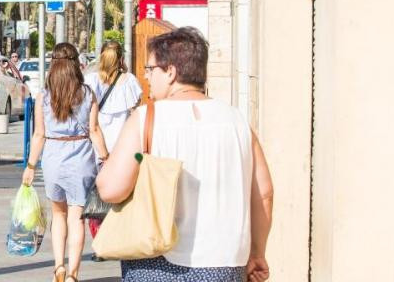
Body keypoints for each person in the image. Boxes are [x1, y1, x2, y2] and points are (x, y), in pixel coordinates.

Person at [96, 27, 274, 282]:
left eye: (150, 69)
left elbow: (110, 189)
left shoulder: (147, 119)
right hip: (227, 264)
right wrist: (257, 252)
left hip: (158, 263)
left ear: (170, 72)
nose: (147, 77)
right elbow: (265, 194)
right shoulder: (238, 122)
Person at [22, 43, 106, 282]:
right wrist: (106, 158)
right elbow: (95, 130)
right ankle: (73, 274)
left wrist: (30, 166)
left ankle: (58, 267)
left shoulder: (44, 96)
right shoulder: (87, 93)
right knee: (77, 217)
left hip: (53, 158)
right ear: (76, 64)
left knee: (58, 215)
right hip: (81, 157)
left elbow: (38, 134)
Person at [81, 40, 143, 247]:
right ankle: (117, 238)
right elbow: (135, 113)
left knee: (96, 196)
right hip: (122, 148)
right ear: (121, 58)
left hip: (94, 147)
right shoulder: (130, 82)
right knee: (122, 195)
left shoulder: (90, 81)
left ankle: (99, 241)